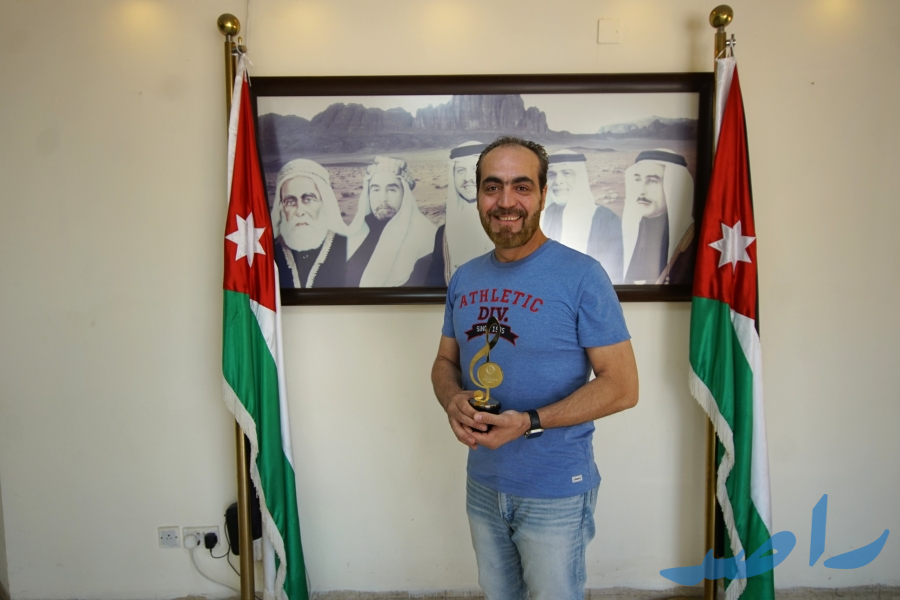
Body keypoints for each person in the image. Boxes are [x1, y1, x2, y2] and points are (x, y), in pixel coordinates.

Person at [431, 136, 639, 600]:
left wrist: (529, 422)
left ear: (543, 194)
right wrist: (452, 398)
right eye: (492, 187)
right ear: (478, 195)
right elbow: (445, 361)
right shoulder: (464, 277)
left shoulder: (583, 276)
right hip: (484, 483)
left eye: (521, 187)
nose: (506, 202)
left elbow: (623, 387)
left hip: (556, 490)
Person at [345, 156, 437, 287]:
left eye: (391, 190)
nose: (383, 198)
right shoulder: (358, 232)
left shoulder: (426, 237)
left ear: (405, 194)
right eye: (376, 189)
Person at [270, 159, 353, 288]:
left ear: (324, 202)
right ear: (282, 207)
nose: (299, 211)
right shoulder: (269, 253)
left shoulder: (350, 248)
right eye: (290, 202)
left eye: (308, 199)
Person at [619, 149, 694, 284]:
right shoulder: (623, 232)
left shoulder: (690, 240)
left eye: (652, 181)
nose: (641, 190)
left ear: (673, 186)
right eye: (638, 179)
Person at [540, 149, 599, 255]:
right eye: (552, 174)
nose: (558, 181)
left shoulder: (605, 219)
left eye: (567, 173)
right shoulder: (541, 215)